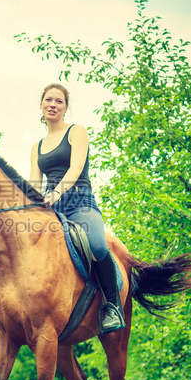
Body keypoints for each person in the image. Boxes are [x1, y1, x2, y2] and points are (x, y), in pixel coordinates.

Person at [28, 83, 125, 334]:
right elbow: (34, 183)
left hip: (80, 203)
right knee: (17, 238)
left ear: (65, 108)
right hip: (51, 209)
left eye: (59, 101)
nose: (53, 104)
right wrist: (26, 206)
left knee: (97, 245)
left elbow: (75, 168)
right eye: (48, 99)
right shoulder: (37, 147)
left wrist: (56, 193)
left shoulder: (76, 131)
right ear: (40, 104)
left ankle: (112, 306)